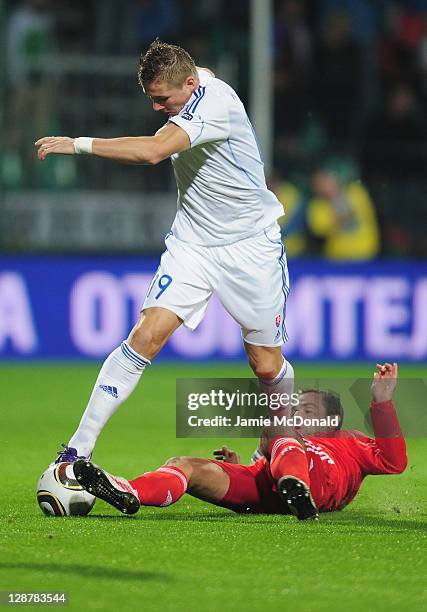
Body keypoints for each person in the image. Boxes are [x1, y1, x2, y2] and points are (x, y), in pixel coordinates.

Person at [35, 39, 293, 464]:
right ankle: (76, 451)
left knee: (266, 365)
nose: (158, 107)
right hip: (192, 244)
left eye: (163, 99)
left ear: (190, 84)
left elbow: (153, 151)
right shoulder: (197, 83)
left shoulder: (216, 104)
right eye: (153, 99)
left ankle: (279, 443)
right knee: (145, 336)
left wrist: (77, 144)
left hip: (250, 246)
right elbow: (200, 71)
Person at [73, 363, 407, 521]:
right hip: (270, 488)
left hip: (314, 486)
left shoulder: (349, 443)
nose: (296, 414)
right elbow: (275, 454)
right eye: (295, 408)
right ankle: (129, 492)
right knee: (186, 465)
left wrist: (382, 403)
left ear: (331, 419)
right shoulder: (287, 438)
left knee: (277, 430)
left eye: (306, 409)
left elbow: (395, 462)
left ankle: (296, 487)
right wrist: (241, 468)